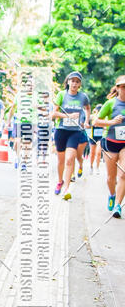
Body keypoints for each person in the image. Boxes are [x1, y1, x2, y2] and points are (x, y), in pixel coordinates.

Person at [52, 71, 91, 200]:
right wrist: (68, 116)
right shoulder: (61, 95)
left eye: (77, 81)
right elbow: (54, 114)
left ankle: (67, 188)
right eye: (72, 81)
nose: (74, 83)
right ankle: (59, 181)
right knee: (61, 160)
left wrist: (86, 121)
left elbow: (88, 107)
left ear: (80, 84)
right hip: (61, 130)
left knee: (70, 159)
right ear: (68, 82)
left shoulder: (83, 97)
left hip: (75, 132)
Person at [94, 75, 125, 217]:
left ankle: (118, 206)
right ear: (118, 88)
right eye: (123, 87)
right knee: (110, 178)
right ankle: (112, 195)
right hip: (111, 143)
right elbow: (96, 122)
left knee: (123, 174)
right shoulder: (110, 104)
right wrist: (112, 122)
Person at [88, 104, 103, 173]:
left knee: (99, 152)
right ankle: (91, 166)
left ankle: (97, 167)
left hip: (100, 137)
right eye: (98, 110)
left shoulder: (104, 117)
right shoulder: (91, 117)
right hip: (93, 137)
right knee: (92, 153)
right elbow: (87, 124)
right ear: (96, 110)